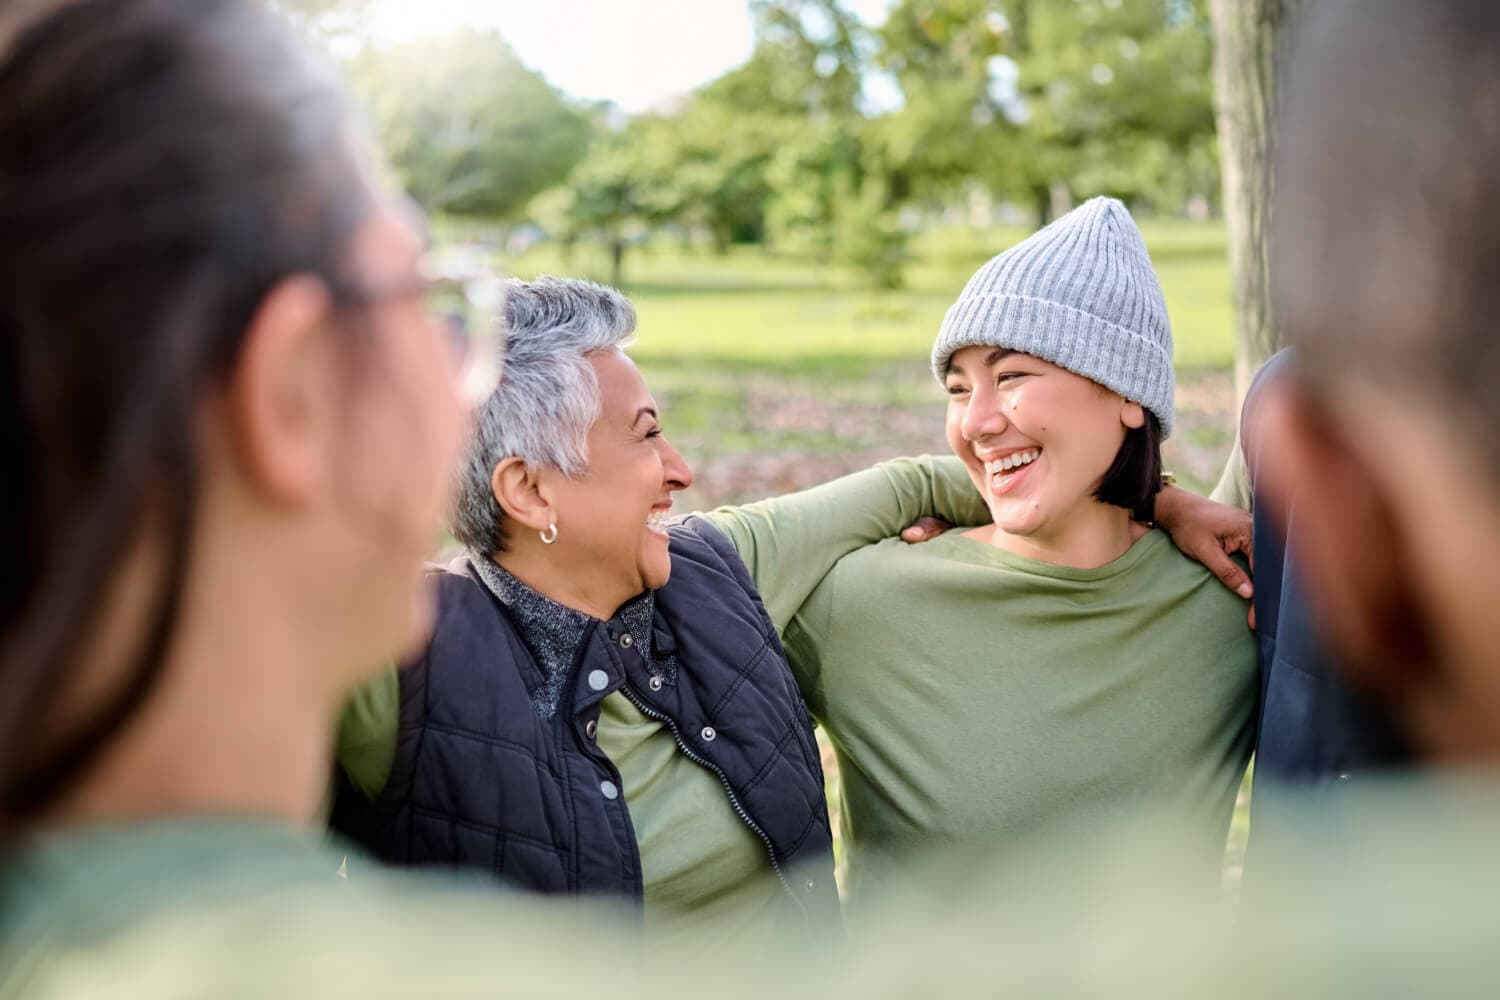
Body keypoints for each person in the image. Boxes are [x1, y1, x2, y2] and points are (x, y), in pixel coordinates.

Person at [332, 271, 1253, 935]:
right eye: (647, 437)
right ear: (529, 493)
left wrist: (1156, 496)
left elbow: (917, 483)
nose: (683, 471)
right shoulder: (399, 652)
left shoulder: (715, 573)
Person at [706, 199, 1259, 907]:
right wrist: (916, 481)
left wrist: (1156, 498)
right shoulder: (861, 602)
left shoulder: (1226, 608)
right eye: (958, 389)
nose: (976, 422)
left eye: (1013, 376)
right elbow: (681, 576)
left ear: (1126, 391)